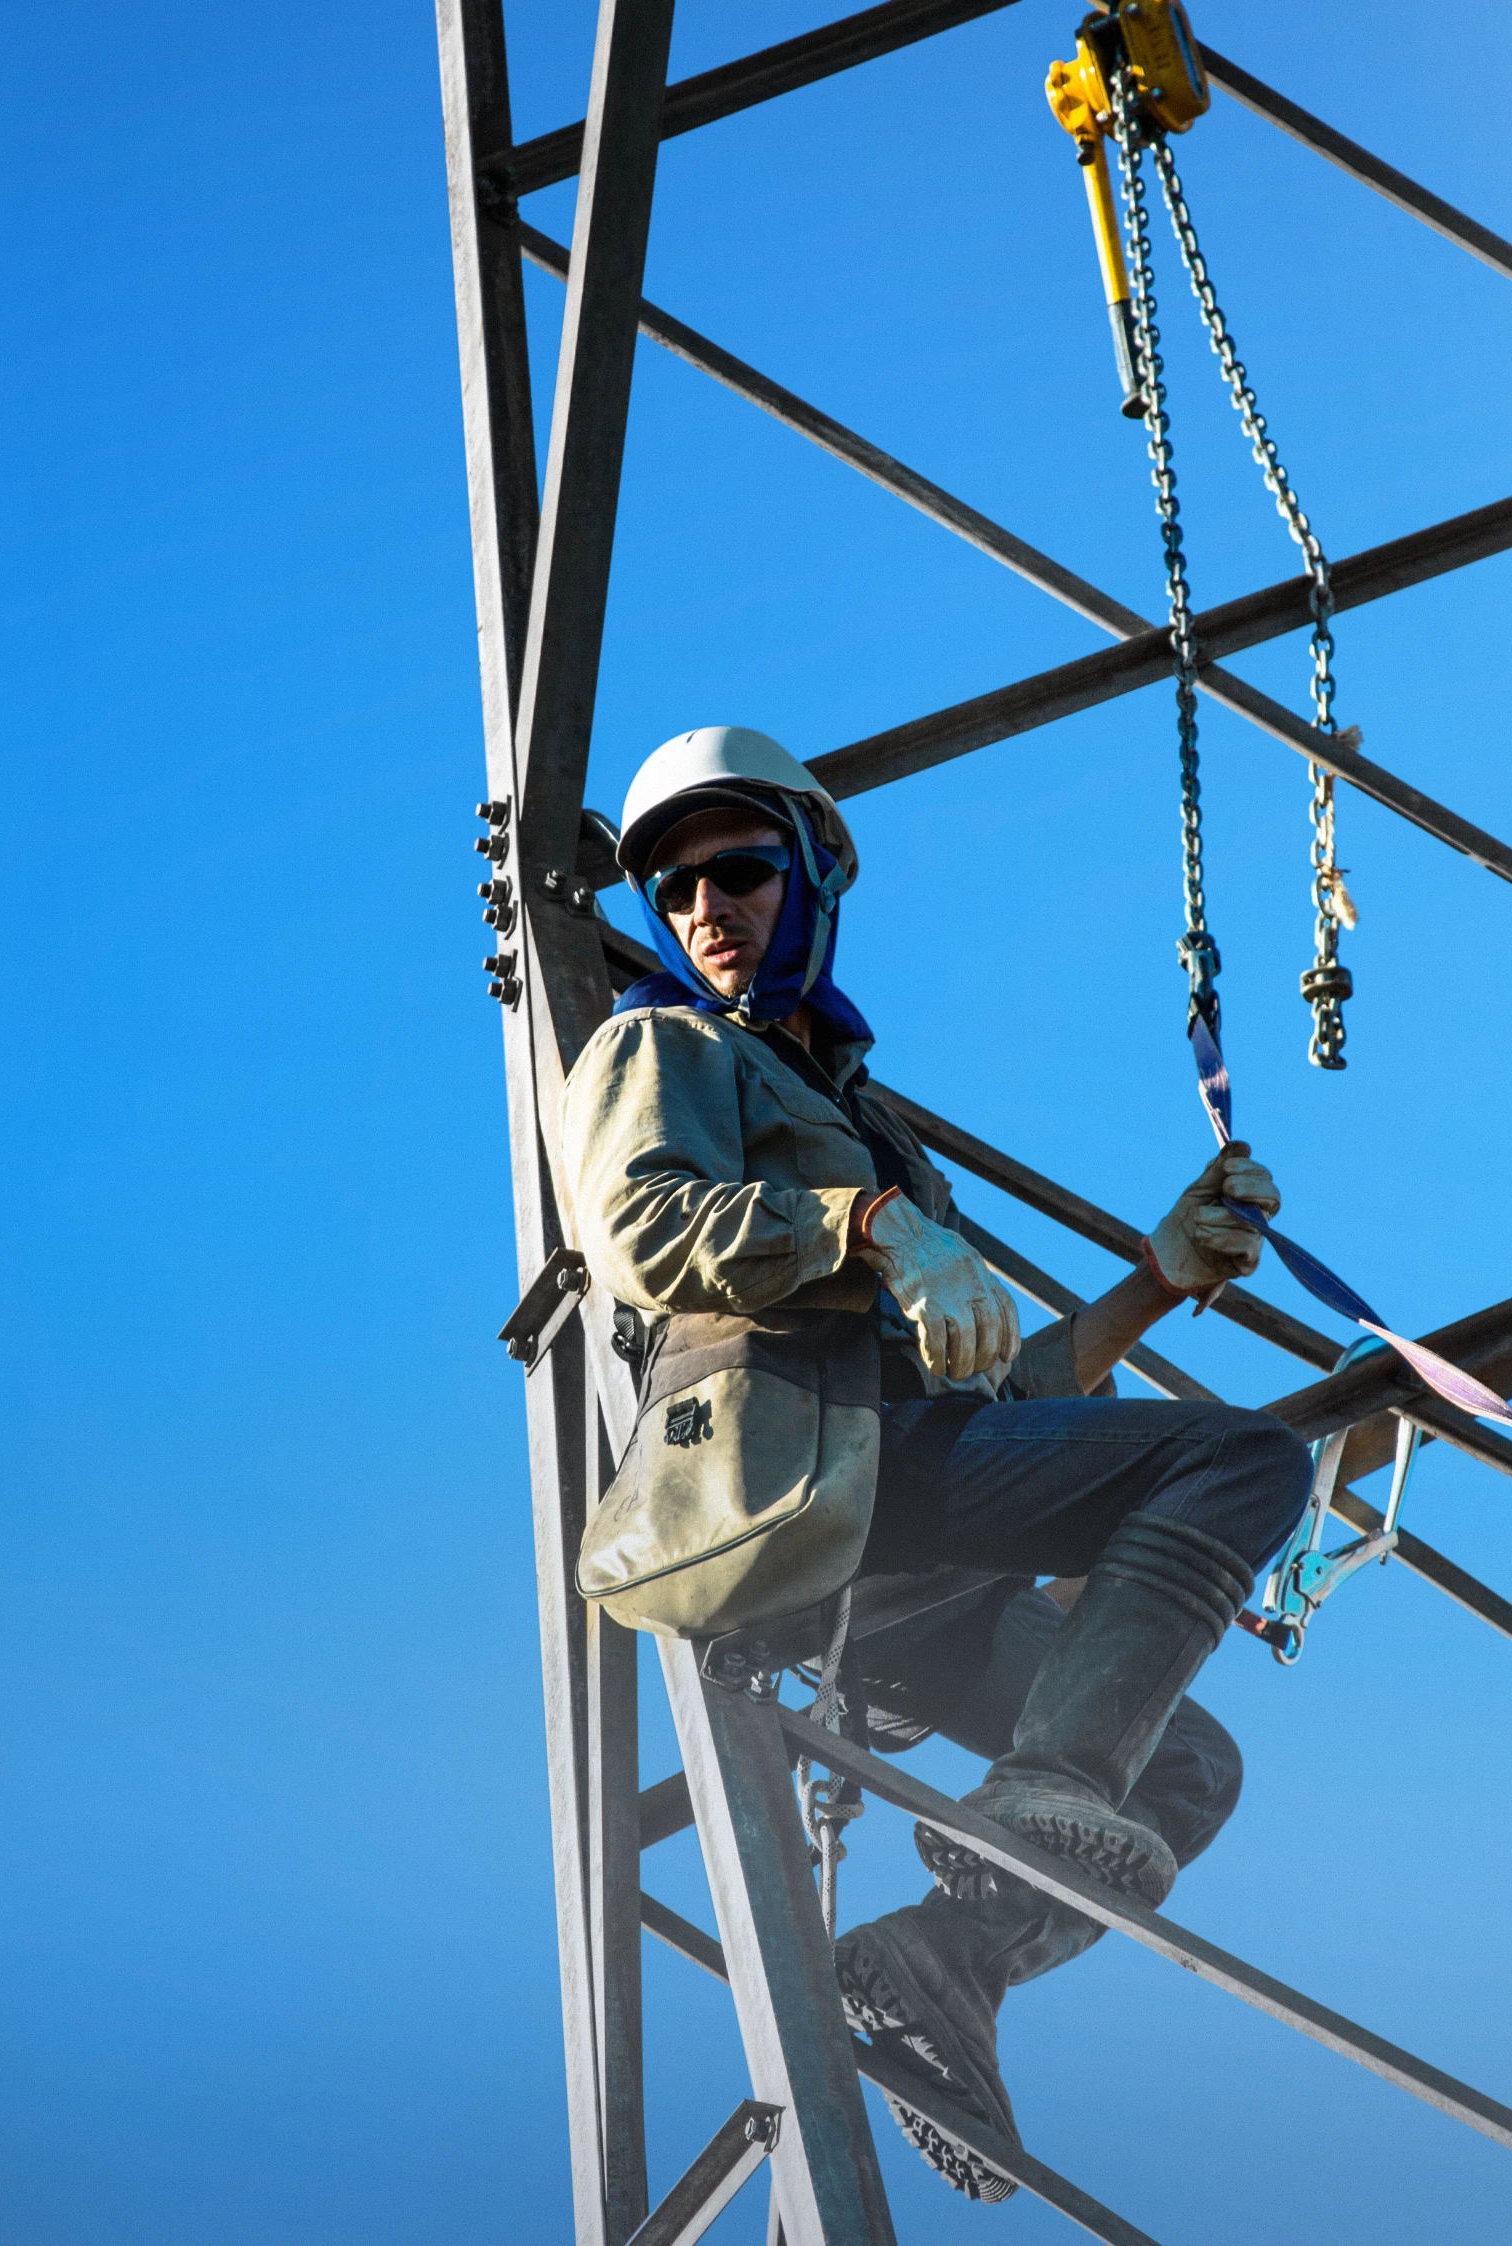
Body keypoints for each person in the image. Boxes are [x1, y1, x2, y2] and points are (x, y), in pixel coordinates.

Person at [553, 724, 1306, 2200]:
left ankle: (953, 1953)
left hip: (914, 1514)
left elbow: (989, 1393)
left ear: (814, 870)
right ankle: (1040, 1800)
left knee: (1195, 1760)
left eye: (742, 870)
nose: (707, 907)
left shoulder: (868, 1122)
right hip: (803, 1493)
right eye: (676, 885)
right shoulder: (663, 1050)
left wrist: (1155, 1279)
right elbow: (638, 1228)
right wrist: (876, 1231)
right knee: (1241, 1464)